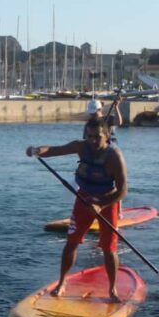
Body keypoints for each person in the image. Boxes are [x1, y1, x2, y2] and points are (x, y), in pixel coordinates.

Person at [26, 117, 128, 302]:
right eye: (89, 136)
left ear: (106, 136)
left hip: (107, 199)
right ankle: (62, 282)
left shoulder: (115, 156)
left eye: (97, 137)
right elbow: (56, 150)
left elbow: (122, 191)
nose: (93, 141)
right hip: (84, 198)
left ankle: (112, 290)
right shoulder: (82, 147)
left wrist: (101, 204)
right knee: (71, 242)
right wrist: (36, 150)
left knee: (108, 248)